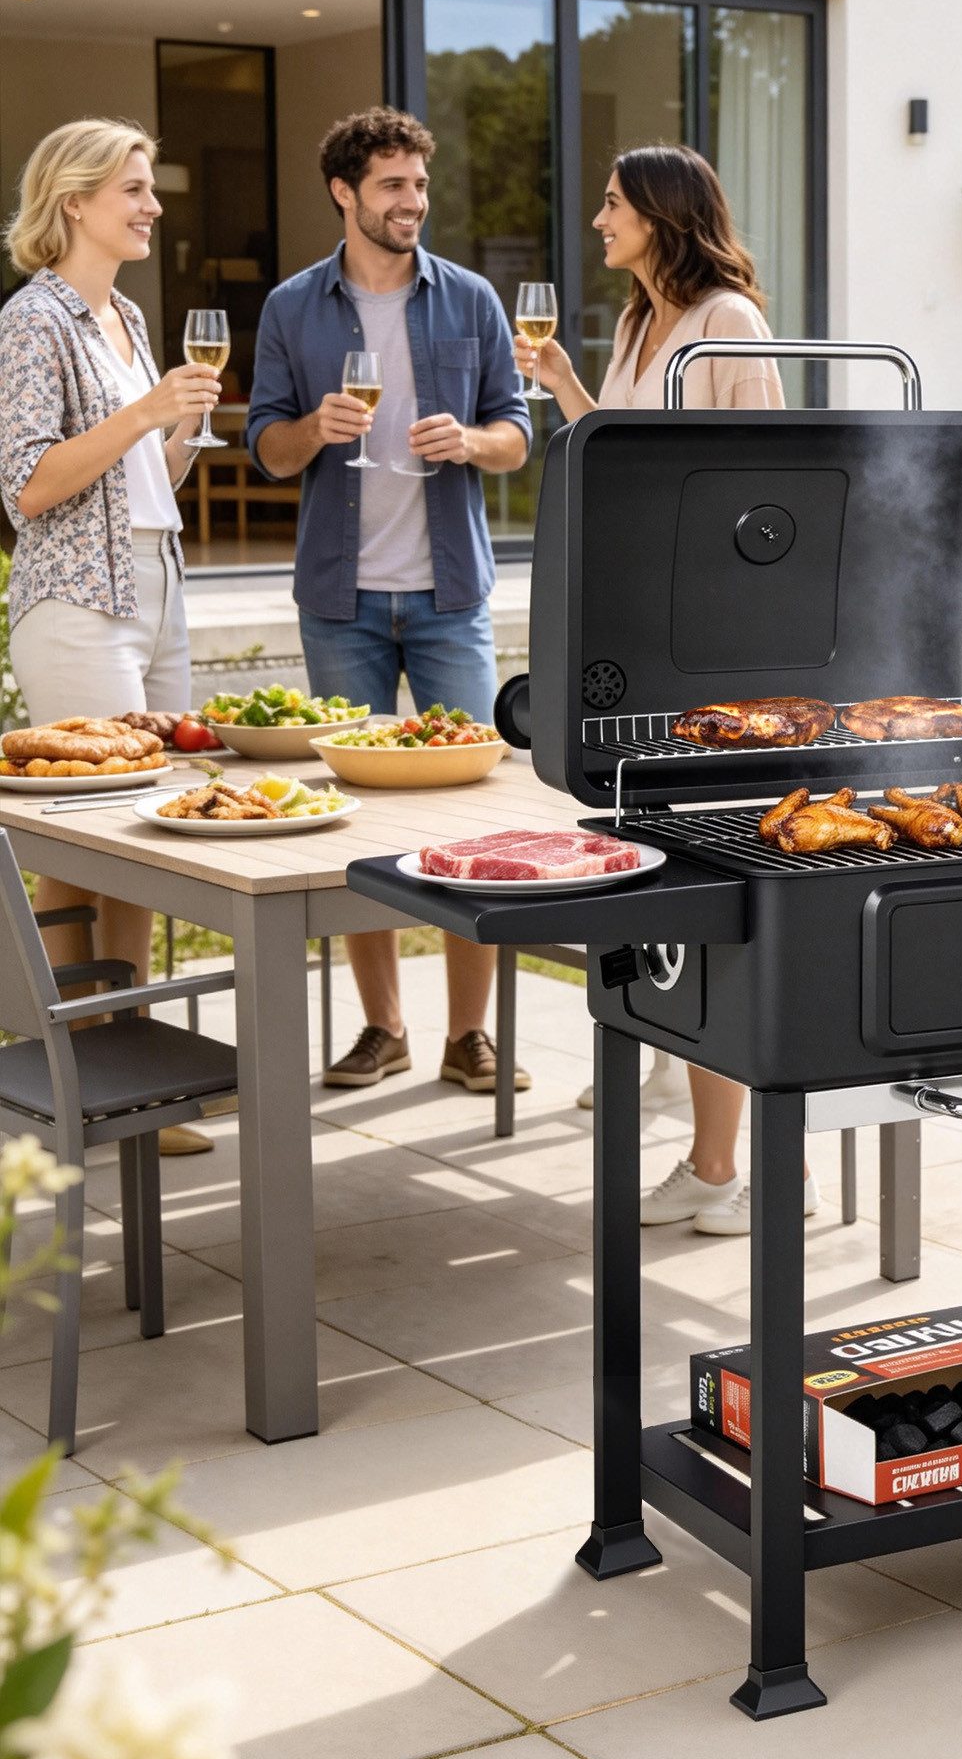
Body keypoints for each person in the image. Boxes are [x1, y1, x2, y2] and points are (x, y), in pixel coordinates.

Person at [520, 144, 804, 1236]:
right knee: (646, 867)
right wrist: (567, 392)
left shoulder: (726, 320)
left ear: (660, 214)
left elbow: (763, 482)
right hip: (641, 632)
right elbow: (630, 458)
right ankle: (694, 1102)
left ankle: (723, 1164)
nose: (596, 219)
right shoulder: (642, 322)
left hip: (710, 644)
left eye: (610, 203)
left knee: (706, 891)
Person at [248, 108, 531, 1095]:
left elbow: (517, 433)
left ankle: (468, 1034)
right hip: (341, 600)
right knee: (357, 823)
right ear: (345, 193)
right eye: (391, 186)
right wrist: (313, 430)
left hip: (450, 595)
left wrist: (474, 443)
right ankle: (382, 1027)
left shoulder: (471, 300)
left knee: (470, 818)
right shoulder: (293, 307)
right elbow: (265, 448)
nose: (411, 201)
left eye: (418, 185)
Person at [0, 118, 225, 1157]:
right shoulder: (32, 321)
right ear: (74, 200)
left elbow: (139, 485)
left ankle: (129, 1072)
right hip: (79, 600)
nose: (152, 204)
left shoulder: (127, 312)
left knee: (144, 835)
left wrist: (174, 436)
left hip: (155, 584)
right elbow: (31, 485)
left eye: (150, 188)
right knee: (83, 839)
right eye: (132, 188)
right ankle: (60, 1069)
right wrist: (144, 414)